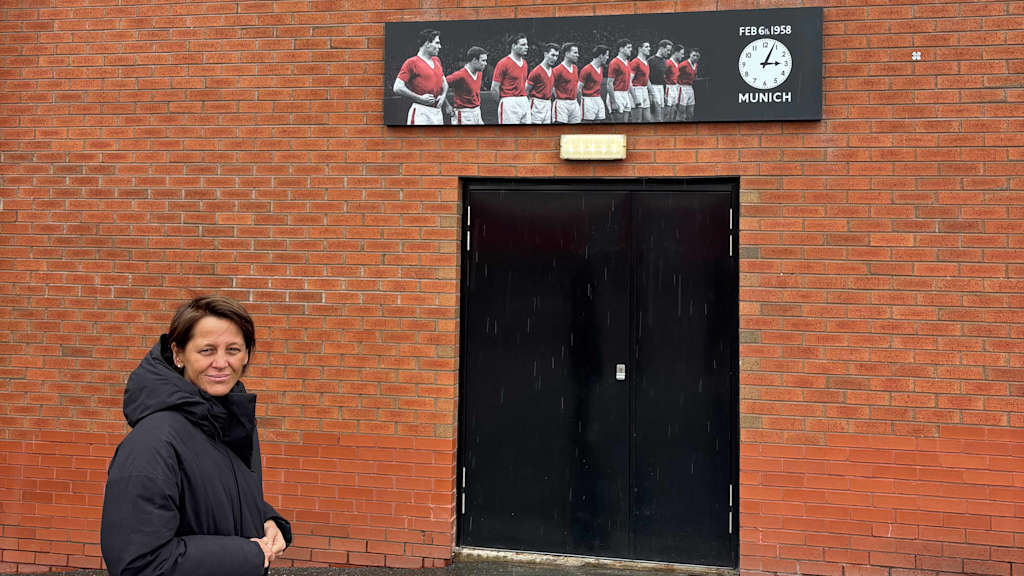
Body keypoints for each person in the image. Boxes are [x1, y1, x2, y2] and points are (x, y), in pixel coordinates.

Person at [101, 295, 292, 576]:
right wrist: (247, 555)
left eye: (233, 349)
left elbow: (214, 496)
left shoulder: (228, 421)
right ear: (178, 354)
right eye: (206, 350)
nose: (221, 363)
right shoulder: (154, 442)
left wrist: (267, 520)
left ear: (247, 354)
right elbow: (139, 564)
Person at [393, 28, 447, 125]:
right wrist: (419, 98)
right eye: (437, 43)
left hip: (438, 112)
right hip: (421, 112)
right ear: (427, 43)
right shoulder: (411, 62)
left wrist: (443, 96)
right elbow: (397, 87)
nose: (440, 46)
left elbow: (444, 83)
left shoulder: (437, 60)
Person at [491, 33, 530, 124]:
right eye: (523, 44)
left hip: (524, 100)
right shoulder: (503, 63)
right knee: (509, 134)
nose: (527, 47)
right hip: (509, 101)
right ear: (514, 46)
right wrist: (504, 103)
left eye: (527, 44)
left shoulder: (524, 63)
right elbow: (494, 88)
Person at [446, 46, 488, 125]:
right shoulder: (460, 75)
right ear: (474, 60)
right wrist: (447, 105)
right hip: (463, 114)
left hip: (477, 112)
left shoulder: (479, 73)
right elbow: (440, 84)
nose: (485, 63)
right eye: (483, 60)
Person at [526, 43, 560, 124]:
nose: (554, 58)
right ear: (545, 54)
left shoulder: (553, 71)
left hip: (548, 104)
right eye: (552, 55)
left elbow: (551, 88)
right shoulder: (536, 71)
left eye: (556, 56)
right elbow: (526, 91)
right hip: (536, 104)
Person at [552, 42, 581, 124]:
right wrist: (558, 96)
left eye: (577, 53)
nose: (577, 55)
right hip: (562, 104)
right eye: (575, 52)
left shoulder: (575, 68)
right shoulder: (557, 70)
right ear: (567, 53)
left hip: (574, 103)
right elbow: (551, 86)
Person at [581, 45, 609, 123]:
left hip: (598, 99)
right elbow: (579, 88)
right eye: (606, 55)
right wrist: (581, 103)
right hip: (588, 100)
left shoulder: (601, 69)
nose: (608, 57)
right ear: (601, 56)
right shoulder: (586, 69)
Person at [607, 38, 633, 123]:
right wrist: (613, 102)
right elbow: (609, 83)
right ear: (621, 49)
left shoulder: (628, 63)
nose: (631, 49)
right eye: (628, 47)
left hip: (625, 94)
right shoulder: (614, 62)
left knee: (625, 124)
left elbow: (629, 82)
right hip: (616, 94)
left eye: (631, 47)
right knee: (617, 126)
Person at [629, 40, 652, 123]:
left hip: (644, 90)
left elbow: (647, 79)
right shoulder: (635, 62)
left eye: (649, 47)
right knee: (637, 120)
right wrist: (635, 98)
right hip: (637, 90)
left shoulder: (646, 62)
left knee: (648, 119)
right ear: (640, 49)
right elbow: (629, 81)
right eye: (646, 47)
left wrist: (652, 93)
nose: (649, 49)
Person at [678, 48, 700, 121]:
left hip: (690, 88)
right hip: (682, 88)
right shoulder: (683, 64)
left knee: (691, 111)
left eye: (697, 56)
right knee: (682, 111)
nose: (695, 57)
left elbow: (693, 75)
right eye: (693, 55)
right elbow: (674, 73)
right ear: (690, 55)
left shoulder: (696, 65)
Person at [665, 43, 684, 122]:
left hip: (675, 88)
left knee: (673, 111)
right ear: (676, 52)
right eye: (681, 54)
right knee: (667, 112)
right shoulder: (668, 62)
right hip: (669, 88)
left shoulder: (677, 64)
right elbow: (662, 76)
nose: (683, 56)